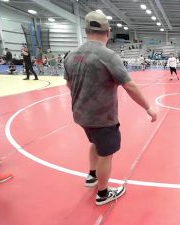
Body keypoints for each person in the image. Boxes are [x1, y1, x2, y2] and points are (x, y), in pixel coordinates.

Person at [64, 11, 157, 206]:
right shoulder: (108, 55)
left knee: (95, 143)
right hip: (102, 117)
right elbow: (129, 85)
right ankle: (103, 194)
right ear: (108, 32)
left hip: (81, 115)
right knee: (106, 154)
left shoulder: (71, 55)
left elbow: (69, 85)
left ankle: (92, 176)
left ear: (87, 30)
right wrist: (148, 108)